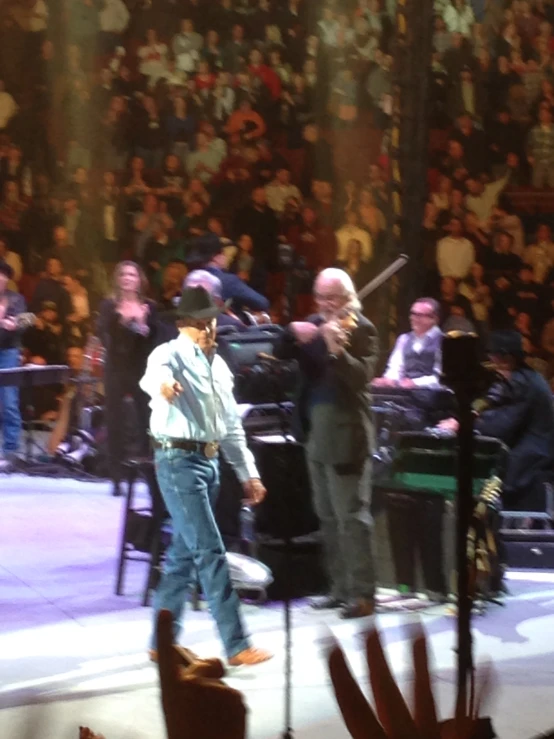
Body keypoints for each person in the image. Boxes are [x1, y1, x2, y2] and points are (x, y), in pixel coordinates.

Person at [139, 286, 273, 667]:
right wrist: (164, 388)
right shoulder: (167, 355)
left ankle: (160, 641)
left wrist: (249, 473)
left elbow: (231, 426)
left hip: (208, 464)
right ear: (182, 324)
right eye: (199, 323)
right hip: (178, 462)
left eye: (210, 320)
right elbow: (154, 379)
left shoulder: (219, 366)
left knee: (184, 554)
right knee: (210, 551)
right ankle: (236, 643)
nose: (208, 328)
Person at [279, 268, 378, 619]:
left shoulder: (361, 328)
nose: (323, 305)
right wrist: (294, 332)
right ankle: (339, 588)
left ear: (348, 298)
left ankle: (363, 594)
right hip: (315, 436)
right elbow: (283, 352)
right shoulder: (314, 325)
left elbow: (361, 378)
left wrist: (337, 350)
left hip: (346, 435)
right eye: (319, 297)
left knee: (351, 518)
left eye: (331, 298)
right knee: (327, 518)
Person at [439, 331, 554, 510]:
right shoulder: (517, 376)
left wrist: (463, 424)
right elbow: (492, 399)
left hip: (532, 452)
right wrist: (468, 414)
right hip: (523, 443)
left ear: (505, 357)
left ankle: (479, 521)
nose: (489, 358)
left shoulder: (522, 382)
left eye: (492, 354)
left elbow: (503, 423)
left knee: (485, 474)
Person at [97, 261, 158, 497]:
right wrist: (121, 321)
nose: (127, 278)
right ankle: (116, 476)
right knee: (115, 422)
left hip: (141, 369)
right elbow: (104, 335)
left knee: (147, 421)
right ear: (117, 278)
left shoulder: (149, 306)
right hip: (116, 369)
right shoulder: (109, 305)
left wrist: (141, 323)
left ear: (139, 279)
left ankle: (147, 472)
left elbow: (154, 339)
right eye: (123, 274)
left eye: (132, 274)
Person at [372, 298, 442, 388]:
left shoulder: (444, 341)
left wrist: (415, 383)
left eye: (419, 315)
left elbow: (440, 377)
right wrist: (389, 380)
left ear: (434, 319)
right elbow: (395, 367)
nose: (412, 318)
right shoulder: (404, 339)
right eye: (412, 314)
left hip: (433, 397)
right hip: (405, 394)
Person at [0, 261, 26, 468]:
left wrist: (15, 323)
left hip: (8, 352)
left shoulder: (16, 299)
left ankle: (10, 451)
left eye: (3, 275)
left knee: (8, 401)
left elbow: (27, 320)